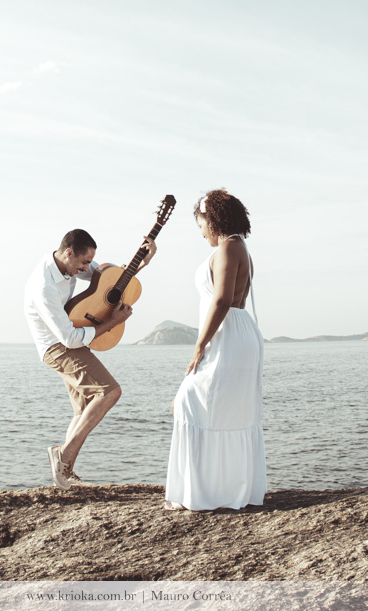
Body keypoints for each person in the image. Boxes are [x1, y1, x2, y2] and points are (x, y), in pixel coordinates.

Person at [24, 228, 157, 489]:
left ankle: (64, 472)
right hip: (58, 346)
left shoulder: (70, 264)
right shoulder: (44, 286)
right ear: (69, 252)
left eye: (88, 262)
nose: (86, 268)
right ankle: (63, 455)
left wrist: (140, 263)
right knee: (109, 391)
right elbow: (69, 338)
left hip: (70, 340)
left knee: (84, 408)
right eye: (84, 262)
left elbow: (107, 278)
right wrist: (113, 322)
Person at [164, 188, 266, 511]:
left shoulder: (227, 249)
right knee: (228, 410)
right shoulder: (240, 248)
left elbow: (221, 299)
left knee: (188, 402)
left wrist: (199, 344)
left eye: (202, 225)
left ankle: (202, 492)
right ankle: (224, 489)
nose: (202, 232)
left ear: (214, 220)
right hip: (241, 333)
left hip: (227, 335)